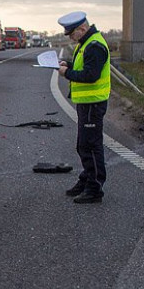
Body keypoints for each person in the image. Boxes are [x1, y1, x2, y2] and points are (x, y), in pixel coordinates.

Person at [56, 11, 110, 204]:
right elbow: (85, 67)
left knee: (91, 147)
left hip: (92, 103)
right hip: (87, 104)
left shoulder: (94, 46)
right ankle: (87, 179)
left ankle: (94, 188)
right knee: (83, 145)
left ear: (83, 28)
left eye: (72, 33)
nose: (70, 37)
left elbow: (91, 75)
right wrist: (68, 64)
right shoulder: (86, 43)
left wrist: (66, 73)